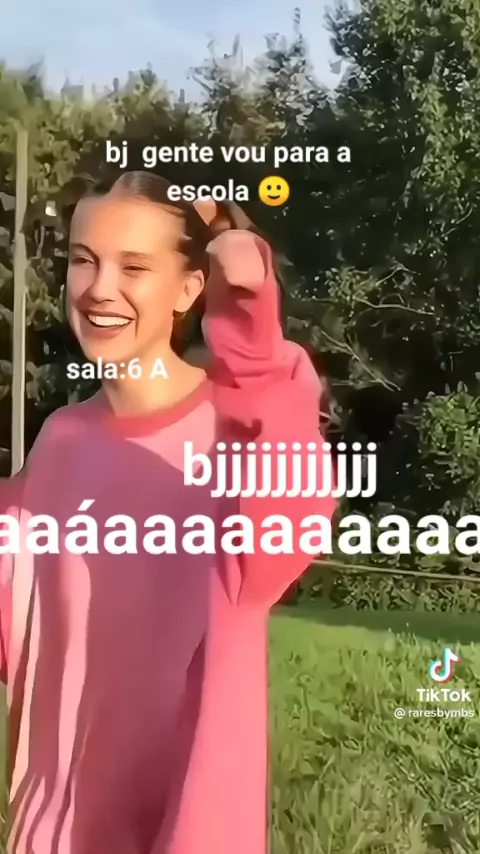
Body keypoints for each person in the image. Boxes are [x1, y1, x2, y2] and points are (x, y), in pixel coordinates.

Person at [0, 171, 335, 854]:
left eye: (134, 267)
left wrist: (251, 321)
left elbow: (288, 520)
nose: (99, 288)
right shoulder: (62, 437)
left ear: (188, 290)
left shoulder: (237, 440)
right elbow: (21, 608)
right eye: (84, 260)